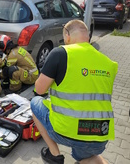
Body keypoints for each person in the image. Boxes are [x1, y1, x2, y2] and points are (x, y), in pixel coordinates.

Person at [31, 20, 118, 164]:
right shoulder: (109, 64)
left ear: (67, 35)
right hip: (99, 137)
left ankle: (54, 154)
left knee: (35, 103)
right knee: (88, 157)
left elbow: (39, 90)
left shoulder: (60, 53)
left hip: (65, 131)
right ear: (88, 37)